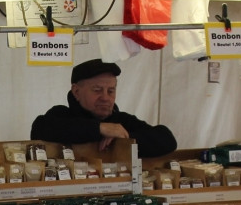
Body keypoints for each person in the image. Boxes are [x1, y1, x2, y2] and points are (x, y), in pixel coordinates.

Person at [31, 58, 177, 160]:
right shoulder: (60, 115)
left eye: (111, 91)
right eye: (97, 90)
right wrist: (99, 128)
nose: (105, 98)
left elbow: (167, 139)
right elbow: (40, 128)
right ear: (76, 92)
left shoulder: (122, 121)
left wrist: (123, 139)